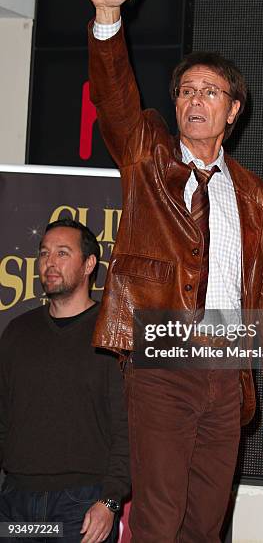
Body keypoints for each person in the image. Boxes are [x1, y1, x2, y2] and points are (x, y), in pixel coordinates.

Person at [73, 0, 263, 543]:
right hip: (163, 352)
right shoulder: (148, 153)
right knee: (159, 516)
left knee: (205, 521)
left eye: (210, 91)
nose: (195, 100)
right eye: (186, 91)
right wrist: (107, 20)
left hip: (228, 363)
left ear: (233, 111)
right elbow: (116, 98)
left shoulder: (254, 195)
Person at [0, 219, 130, 543]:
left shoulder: (111, 336)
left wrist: (110, 500)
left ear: (89, 264)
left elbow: (128, 427)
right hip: (14, 501)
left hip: (82, 505)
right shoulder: (17, 332)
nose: (50, 263)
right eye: (44, 254)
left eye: (62, 253)